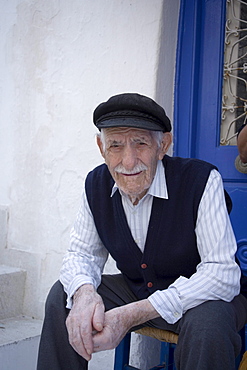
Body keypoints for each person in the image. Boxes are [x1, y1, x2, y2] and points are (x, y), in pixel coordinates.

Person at [37, 93, 247, 370]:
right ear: (101, 147)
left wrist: (133, 314)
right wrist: (85, 293)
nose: (128, 161)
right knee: (65, 296)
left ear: (163, 146)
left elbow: (221, 273)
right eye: (115, 145)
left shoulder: (201, 180)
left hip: (201, 298)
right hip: (136, 290)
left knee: (208, 324)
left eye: (140, 143)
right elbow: (82, 253)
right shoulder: (96, 185)